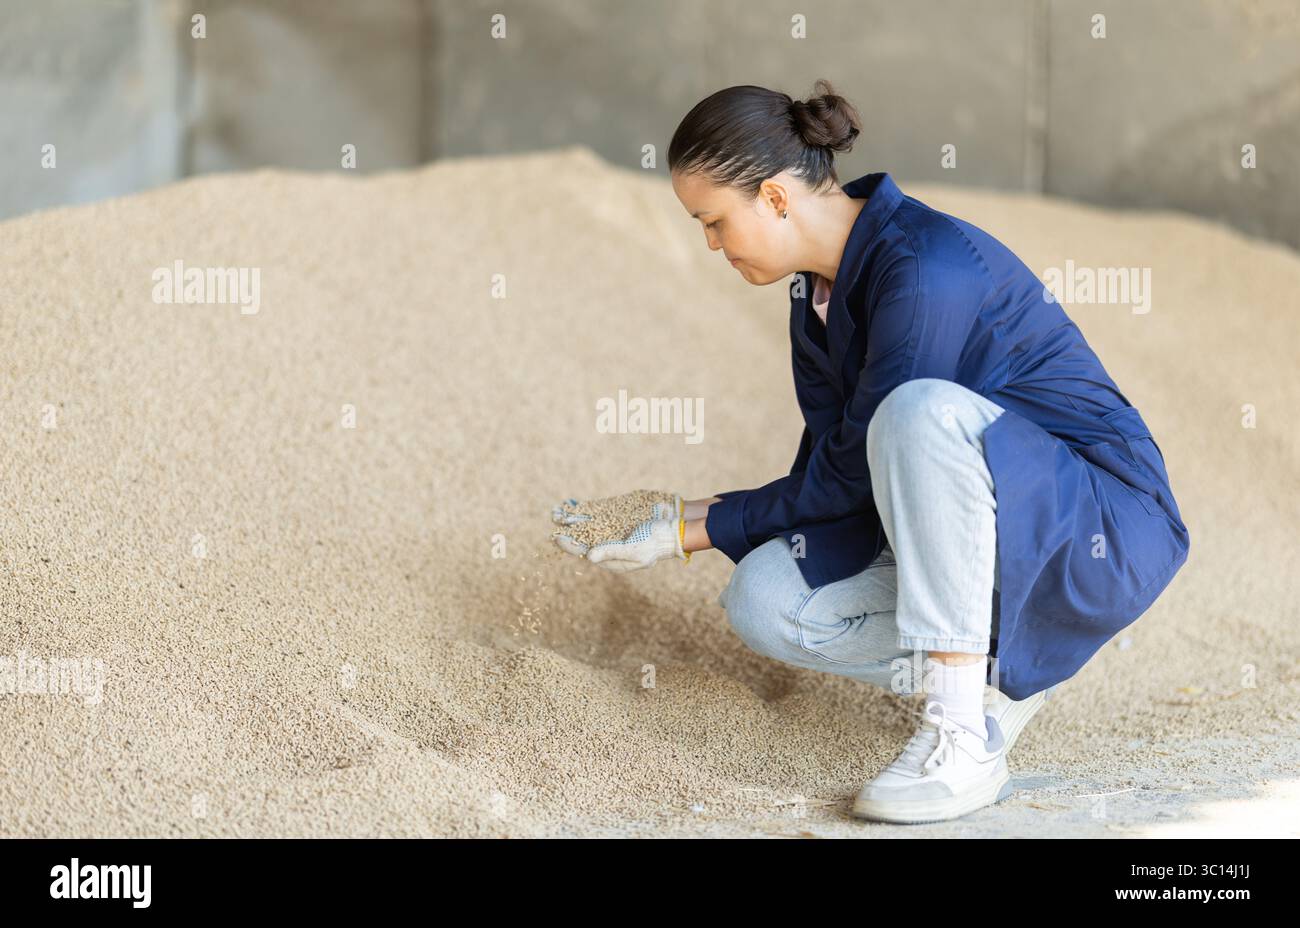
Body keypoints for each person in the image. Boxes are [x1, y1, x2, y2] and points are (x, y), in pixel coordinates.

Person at [552, 80, 1190, 825]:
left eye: (714, 221)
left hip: (1100, 529)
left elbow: (861, 462)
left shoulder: (924, 269)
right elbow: (832, 473)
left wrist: (690, 524)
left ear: (776, 198)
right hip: (991, 525)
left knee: (917, 411)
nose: (712, 246)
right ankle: (1003, 676)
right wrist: (683, 519)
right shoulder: (812, 297)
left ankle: (961, 739)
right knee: (765, 598)